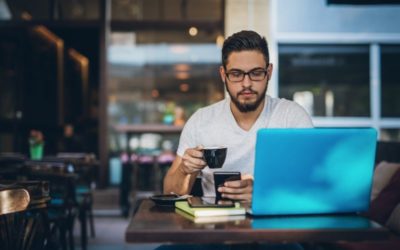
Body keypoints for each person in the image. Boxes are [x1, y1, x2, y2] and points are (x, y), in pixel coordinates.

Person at [163, 30, 313, 202]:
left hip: (275, 225)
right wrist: (184, 170)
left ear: (269, 72)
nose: (247, 84)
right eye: (236, 74)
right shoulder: (201, 121)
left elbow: (315, 184)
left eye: (256, 73)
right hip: (214, 225)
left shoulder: (291, 117)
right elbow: (169, 192)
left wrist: (262, 194)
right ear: (223, 75)